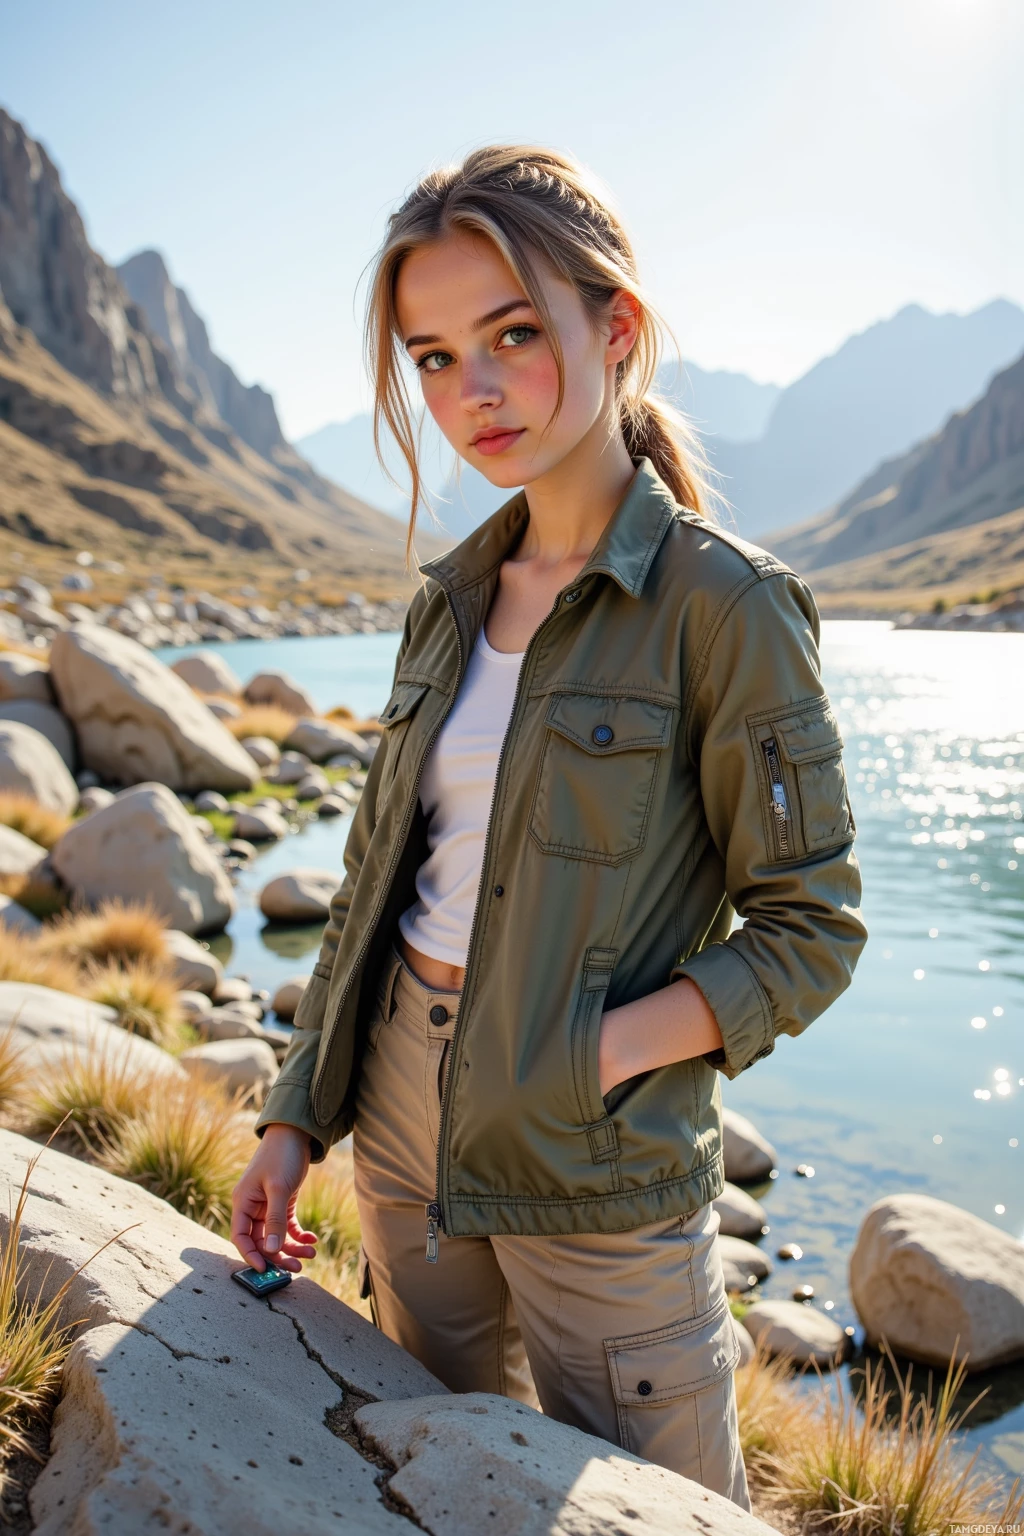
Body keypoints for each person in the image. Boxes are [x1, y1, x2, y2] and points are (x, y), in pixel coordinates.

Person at [231, 145, 866, 1508]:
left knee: (669, 1512)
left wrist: (611, 1050)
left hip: (599, 1158)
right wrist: (299, 1114)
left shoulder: (725, 607)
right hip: (402, 1126)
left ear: (616, 328)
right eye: (437, 356)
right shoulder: (446, 600)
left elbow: (814, 928)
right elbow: (371, 889)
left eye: (515, 334)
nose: (476, 390)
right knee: (448, 1488)